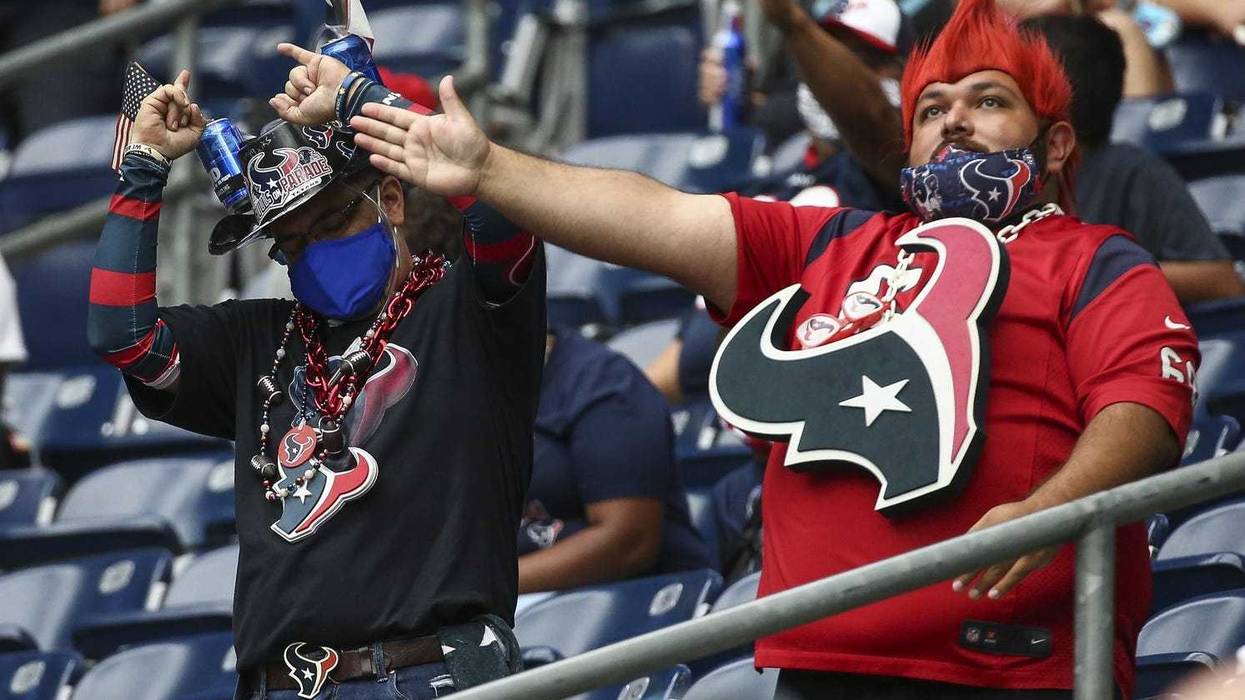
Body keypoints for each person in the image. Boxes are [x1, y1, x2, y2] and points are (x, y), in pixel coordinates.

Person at [318, 0, 1199, 695]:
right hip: (818, 666)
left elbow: (1145, 411)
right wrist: (490, 172)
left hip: (1008, 667)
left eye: (988, 100)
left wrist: (1056, 505)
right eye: (931, 107)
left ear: (1055, 146)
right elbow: (656, 217)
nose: (953, 121)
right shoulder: (831, 244)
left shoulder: (1099, 261)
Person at [87, 61, 545, 698]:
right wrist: (144, 167)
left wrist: (361, 101)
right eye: (289, 246)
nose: (312, 256)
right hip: (283, 684)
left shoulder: (470, 308)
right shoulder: (261, 338)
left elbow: (502, 219)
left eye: (329, 226)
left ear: (389, 200)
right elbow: (123, 334)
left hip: (430, 670)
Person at [1026, 13, 1245, 303]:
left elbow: (1222, 281)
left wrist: (1102, 272)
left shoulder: (1133, 170)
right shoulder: (988, 180)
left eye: (999, 100)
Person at [519, 328, 710, 593]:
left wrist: (482, 591)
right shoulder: (457, 386)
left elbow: (629, 543)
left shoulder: (606, 383)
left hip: (625, 603)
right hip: (513, 600)